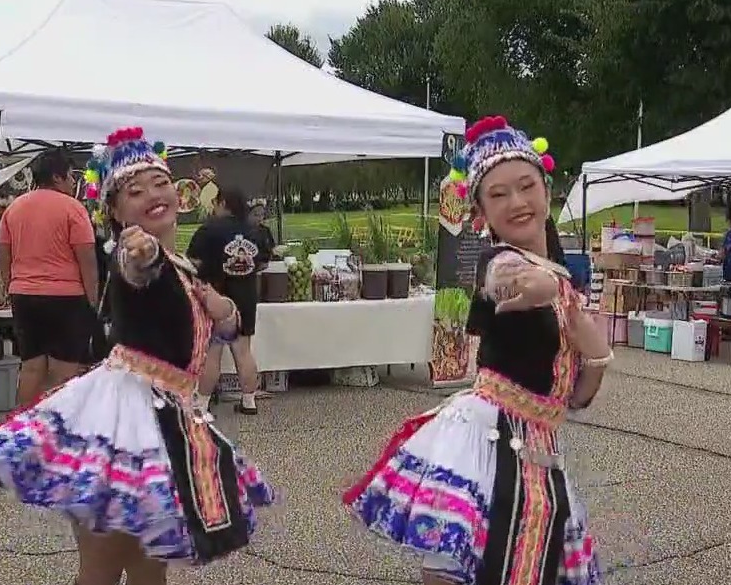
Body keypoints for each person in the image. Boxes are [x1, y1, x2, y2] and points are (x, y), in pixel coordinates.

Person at [0, 126, 276, 585]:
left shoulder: (186, 268)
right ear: (114, 210)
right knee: (103, 569)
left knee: (149, 570)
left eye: (160, 183)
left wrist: (222, 306)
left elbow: (227, 325)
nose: (153, 194)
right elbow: (138, 266)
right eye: (134, 191)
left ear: (180, 191)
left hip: (167, 417)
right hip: (125, 421)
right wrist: (140, 251)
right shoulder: (138, 254)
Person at [343, 115, 610, 585]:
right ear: (482, 213)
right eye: (499, 194)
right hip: (490, 436)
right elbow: (503, 279)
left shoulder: (567, 282)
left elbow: (577, 399)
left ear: (548, 193)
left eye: (526, 187)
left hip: (543, 445)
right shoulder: (499, 259)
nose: (518, 202)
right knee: (457, 563)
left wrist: (598, 359)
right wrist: (533, 283)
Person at [0, 148, 100, 405]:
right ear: (57, 177)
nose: (74, 182)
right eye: (70, 176)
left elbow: (4, 255)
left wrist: (13, 287)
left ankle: (20, 427)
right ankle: (56, 431)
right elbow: (87, 259)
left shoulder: (14, 208)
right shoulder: (74, 209)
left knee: (31, 367)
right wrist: (94, 300)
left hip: (24, 295)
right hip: (66, 299)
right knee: (63, 372)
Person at [187, 187, 271, 415]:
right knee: (243, 351)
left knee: (212, 351)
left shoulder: (209, 230)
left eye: (215, 202)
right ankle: (249, 400)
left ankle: (202, 404)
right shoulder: (255, 231)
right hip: (246, 296)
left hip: (216, 298)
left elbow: (192, 259)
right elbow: (263, 262)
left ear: (223, 203)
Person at [247, 198, 277, 263]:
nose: (260, 218)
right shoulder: (242, 232)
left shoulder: (266, 230)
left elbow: (272, 248)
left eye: (262, 214)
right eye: (256, 215)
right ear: (248, 215)